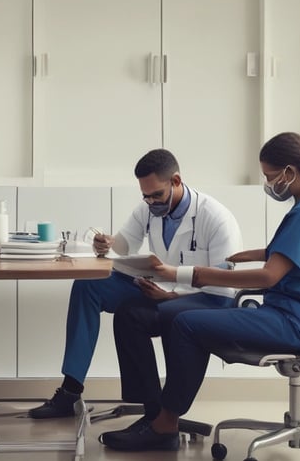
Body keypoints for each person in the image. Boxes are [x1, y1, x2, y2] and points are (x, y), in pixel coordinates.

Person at [99, 132, 300, 451]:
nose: (268, 184)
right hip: (292, 312)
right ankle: (161, 418)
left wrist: (195, 274)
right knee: (174, 320)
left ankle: (164, 425)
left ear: (289, 172)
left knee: (186, 324)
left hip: (297, 321)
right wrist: (253, 253)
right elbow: (296, 254)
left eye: (269, 176)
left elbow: (268, 277)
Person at [28, 148, 243, 418]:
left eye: (157, 195)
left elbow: (224, 285)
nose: (151, 202)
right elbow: (125, 244)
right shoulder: (148, 208)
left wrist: (172, 296)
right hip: (159, 288)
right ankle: (71, 391)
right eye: (145, 196)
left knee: (131, 315)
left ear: (176, 181)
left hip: (206, 298)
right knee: (88, 285)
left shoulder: (216, 217)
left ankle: (156, 415)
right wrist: (107, 243)